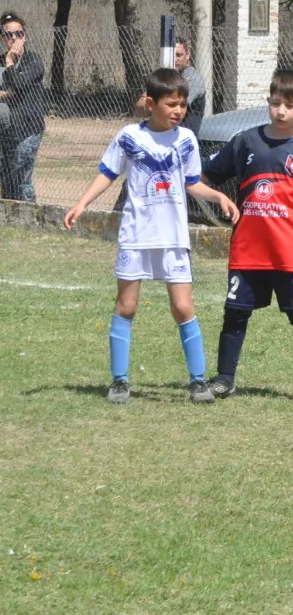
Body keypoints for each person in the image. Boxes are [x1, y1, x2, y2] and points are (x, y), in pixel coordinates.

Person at [63, 68, 239, 404]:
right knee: (126, 306)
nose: (178, 111)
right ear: (150, 102)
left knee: (183, 306)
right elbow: (108, 173)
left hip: (173, 238)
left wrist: (217, 196)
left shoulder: (186, 139)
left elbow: (191, 182)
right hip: (136, 236)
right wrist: (81, 204)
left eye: (183, 105)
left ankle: (198, 380)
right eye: (171, 104)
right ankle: (119, 381)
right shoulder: (130, 136)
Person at [201, 70, 293, 403]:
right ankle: (225, 379)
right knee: (235, 314)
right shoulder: (245, 140)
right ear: (268, 102)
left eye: (290, 105)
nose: (281, 111)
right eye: (275, 103)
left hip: (290, 253)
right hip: (248, 250)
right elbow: (207, 174)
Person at [0, 12, 46, 202]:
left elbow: (19, 85)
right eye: (9, 35)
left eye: (18, 34)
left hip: (29, 129)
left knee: (21, 177)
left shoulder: (33, 61)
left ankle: (30, 216)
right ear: (3, 39)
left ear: (24, 36)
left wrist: (10, 62)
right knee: (7, 178)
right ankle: (11, 218)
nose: (14, 38)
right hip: (6, 130)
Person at [175, 38, 207, 136]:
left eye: (179, 55)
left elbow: (177, 102)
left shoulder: (193, 78)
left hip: (185, 138)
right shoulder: (167, 76)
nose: (175, 59)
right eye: (172, 55)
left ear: (187, 55)